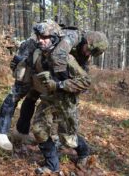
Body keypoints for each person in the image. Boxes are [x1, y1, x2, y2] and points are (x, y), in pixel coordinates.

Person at [0, 19, 109, 151]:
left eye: (90, 53)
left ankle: (21, 132)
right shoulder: (72, 37)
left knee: (32, 96)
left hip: (45, 66)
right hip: (30, 58)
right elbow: (58, 57)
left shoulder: (85, 50)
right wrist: (61, 84)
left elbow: (82, 72)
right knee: (17, 93)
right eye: (88, 50)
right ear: (87, 41)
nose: (87, 54)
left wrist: (73, 86)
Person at [29, 22, 104, 174]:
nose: (40, 40)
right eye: (39, 37)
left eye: (45, 37)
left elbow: (85, 81)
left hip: (66, 102)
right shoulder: (40, 53)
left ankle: (84, 152)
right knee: (38, 130)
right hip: (49, 98)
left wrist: (58, 85)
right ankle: (52, 165)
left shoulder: (67, 58)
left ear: (54, 39)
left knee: (67, 139)